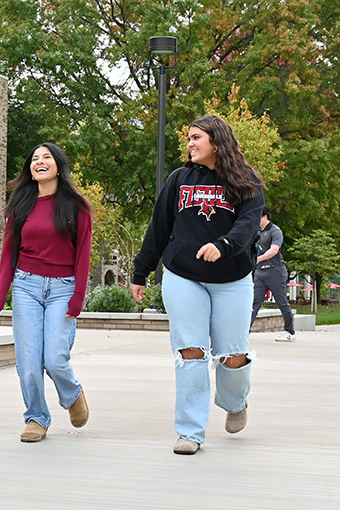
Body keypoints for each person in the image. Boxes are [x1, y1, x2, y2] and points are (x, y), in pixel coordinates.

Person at [130, 114, 266, 455]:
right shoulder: (179, 180)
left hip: (232, 279)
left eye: (196, 138)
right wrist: (140, 272)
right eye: (188, 138)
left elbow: (249, 226)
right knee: (190, 351)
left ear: (216, 142)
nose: (190, 144)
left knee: (231, 356)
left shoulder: (246, 182)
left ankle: (235, 403)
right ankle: (190, 431)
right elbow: (158, 229)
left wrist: (223, 246)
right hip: (183, 276)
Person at [0, 142, 93, 444]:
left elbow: (84, 253)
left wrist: (78, 297)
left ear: (58, 165)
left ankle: (72, 394)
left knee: (55, 359)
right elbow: (9, 250)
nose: (39, 162)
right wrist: (1, 292)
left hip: (63, 288)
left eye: (46, 157)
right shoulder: (20, 204)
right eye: (34, 158)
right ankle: (36, 417)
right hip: (26, 286)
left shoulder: (76, 206)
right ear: (30, 169)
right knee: (29, 361)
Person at [249, 211, 296, 342]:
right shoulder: (256, 232)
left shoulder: (275, 231)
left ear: (265, 216)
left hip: (275, 271)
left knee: (282, 303)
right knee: (253, 302)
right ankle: (245, 331)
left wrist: (258, 259)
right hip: (260, 272)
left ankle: (289, 331)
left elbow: (274, 250)